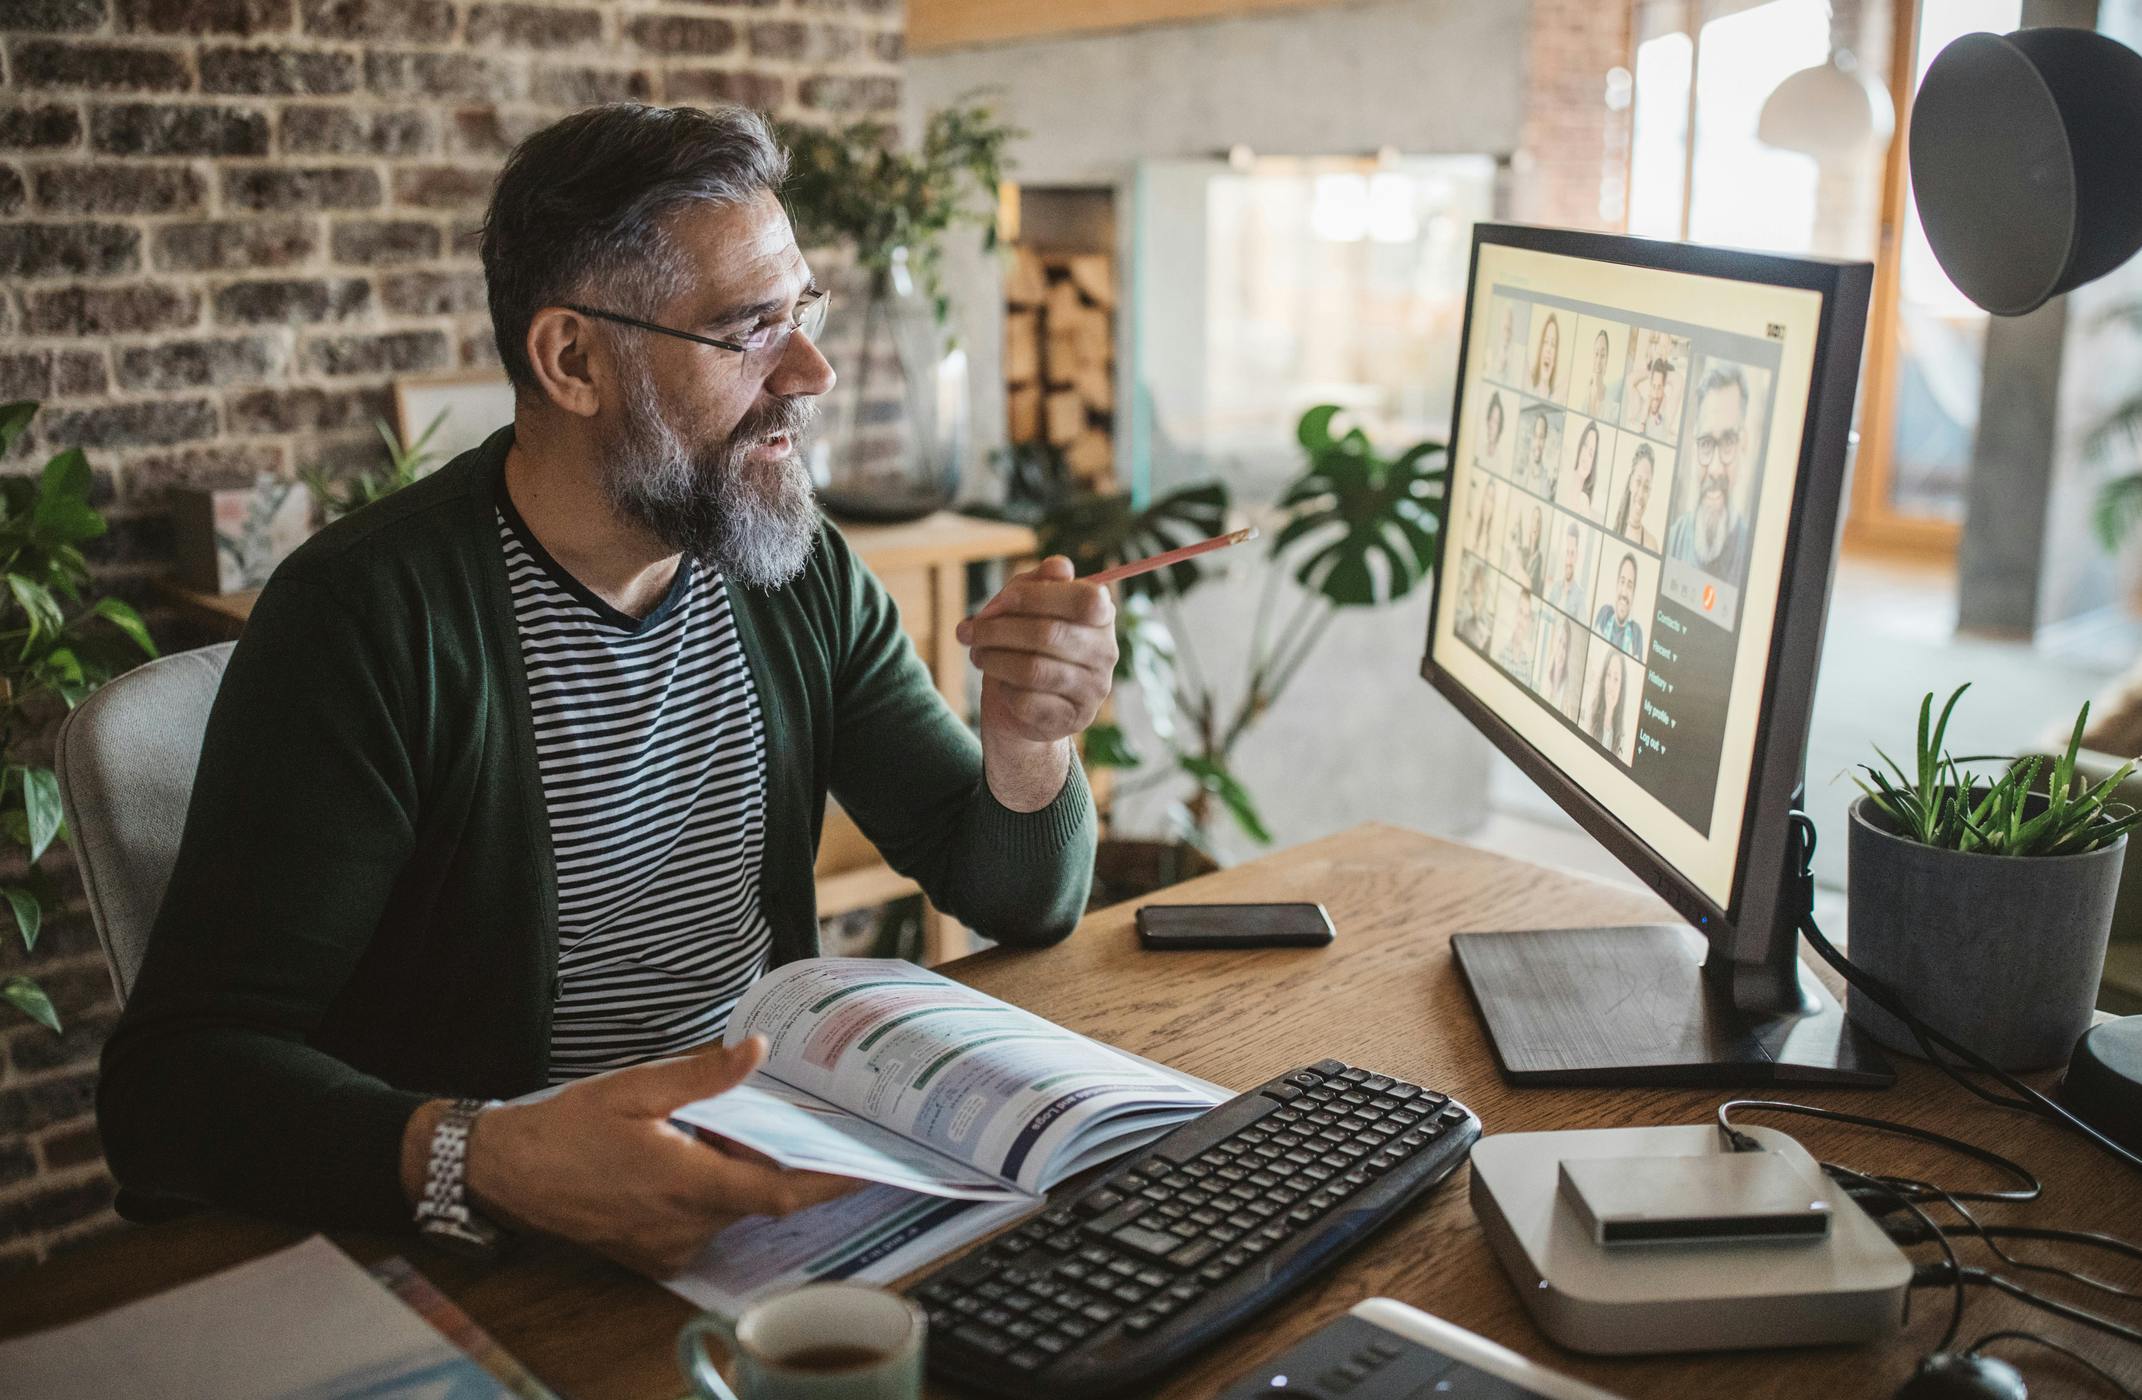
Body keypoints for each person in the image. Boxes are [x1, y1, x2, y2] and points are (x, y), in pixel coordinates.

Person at [95, 104, 1115, 1278]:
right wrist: (485, 1158)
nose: (813, 370)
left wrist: (1028, 742)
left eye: (805, 311)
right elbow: (174, 1082)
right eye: (749, 329)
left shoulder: (787, 562)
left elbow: (1015, 893)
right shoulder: (367, 619)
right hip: (501, 1245)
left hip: (763, 1176)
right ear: (572, 359)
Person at [1665, 365, 1753, 587]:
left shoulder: (1753, 561)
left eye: (1728, 442)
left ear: (1743, 445)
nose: (1715, 468)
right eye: (1705, 443)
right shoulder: (1671, 541)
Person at [1593, 552, 1645, 658]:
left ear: (1634, 594)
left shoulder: (1636, 634)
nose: (1624, 592)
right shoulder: (1604, 614)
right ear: (1616, 585)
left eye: (1630, 586)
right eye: (1622, 582)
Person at [1613, 442, 1659, 551]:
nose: (1641, 494)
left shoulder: (1651, 545)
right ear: (1630, 482)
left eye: (1646, 487)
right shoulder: (1613, 526)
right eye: (1638, 482)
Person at [1586, 650, 1628, 755]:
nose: (1610, 685)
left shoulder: (1622, 737)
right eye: (1608, 675)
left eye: (1616, 679)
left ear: (1621, 687)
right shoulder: (1590, 715)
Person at [1537, 613, 1579, 718]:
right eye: (1559, 641)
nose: (1561, 650)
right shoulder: (1544, 677)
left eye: (1565, 646)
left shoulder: (1568, 690)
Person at [1562, 421, 1603, 518]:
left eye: (1591, 453)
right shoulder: (1563, 484)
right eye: (1585, 445)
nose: (1586, 456)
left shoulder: (1584, 502)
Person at [1547, 520, 1588, 616]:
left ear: (1577, 556)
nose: (1568, 560)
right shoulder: (1555, 588)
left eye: (1572, 553)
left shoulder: (1580, 596)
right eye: (1567, 552)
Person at [1497, 587, 1538, 680]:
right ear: (1515, 613)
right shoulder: (1500, 656)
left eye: (1526, 616)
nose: (1522, 621)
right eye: (1520, 612)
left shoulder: (1527, 669)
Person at [1632, 357, 1674, 438]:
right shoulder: (1641, 405)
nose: (1655, 394)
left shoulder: (1668, 412)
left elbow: (1678, 382)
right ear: (1650, 384)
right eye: (1654, 386)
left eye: (1659, 387)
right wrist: (1649, 373)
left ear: (1664, 386)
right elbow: (1630, 380)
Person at [1457, 561, 1494, 649]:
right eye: (1474, 591)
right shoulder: (1463, 619)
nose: (1476, 598)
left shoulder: (1487, 622)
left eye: (1480, 592)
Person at [1582, 328, 1616, 418]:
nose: (1598, 361)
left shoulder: (1611, 403)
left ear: (1607, 360)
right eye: (1596, 353)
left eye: (1603, 355)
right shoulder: (1582, 394)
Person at [1474, 391, 1506, 472]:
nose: (1491, 425)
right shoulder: (1479, 452)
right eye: (1490, 419)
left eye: (1495, 421)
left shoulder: (1499, 462)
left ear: (1500, 427)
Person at [1530, 313, 1560, 399]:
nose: (1548, 349)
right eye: (1546, 341)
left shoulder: (1555, 396)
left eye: (1553, 344)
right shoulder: (1528, 384)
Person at [1522, 411, 1553, 494]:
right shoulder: (1523, 474)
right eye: (1535, 436)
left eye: (1541, 437)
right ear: (1531, 438)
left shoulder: (1546, 483)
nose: (1538, 443)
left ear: (1545, 440)